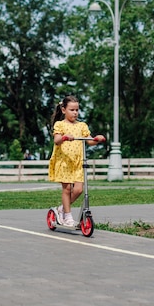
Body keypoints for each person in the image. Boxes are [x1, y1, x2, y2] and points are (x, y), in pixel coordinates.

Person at [48, 95, 105, 227]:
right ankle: (67, 216)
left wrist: (97, 139)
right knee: (67, 189)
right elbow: (56, 140)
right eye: (72, 110)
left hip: (78, 162)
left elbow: (89, 140)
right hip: (64, 161)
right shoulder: (60, 125)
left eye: (77, 110)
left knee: (79, 190)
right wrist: (64, 137)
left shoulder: (81, 126)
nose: (75, 113)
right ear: (64, 110)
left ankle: (61, 209)